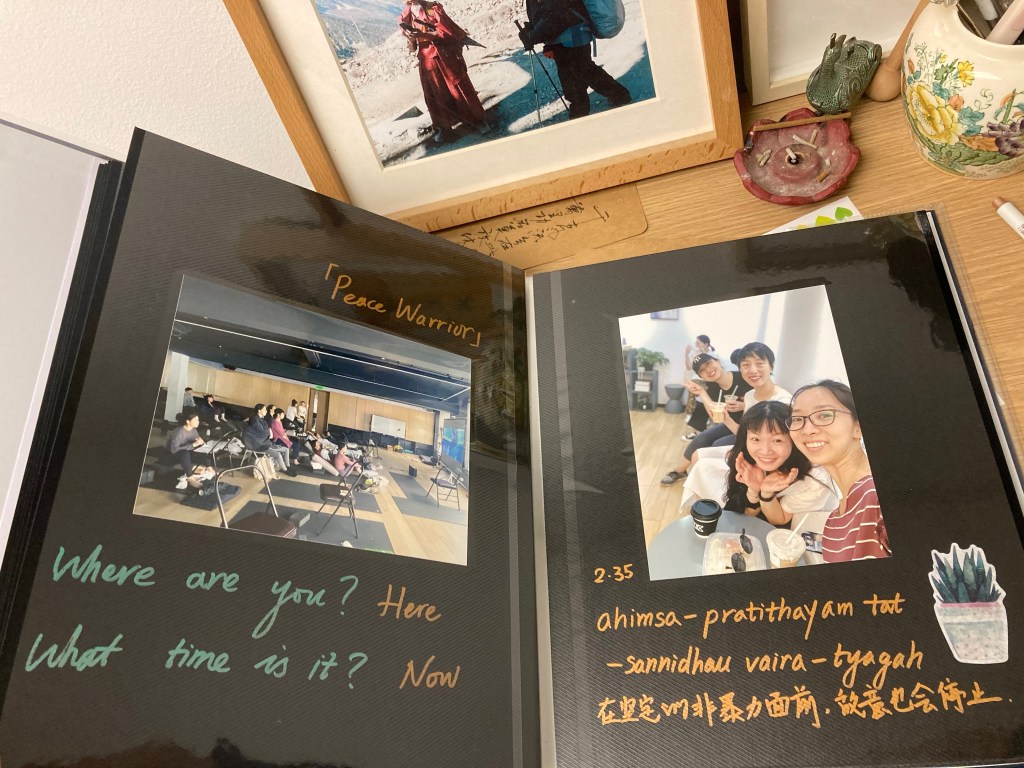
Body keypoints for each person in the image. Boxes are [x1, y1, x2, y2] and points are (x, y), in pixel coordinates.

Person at [788, 380, 890, 563]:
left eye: (824, 415)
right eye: (797, 419)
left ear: (858, 427)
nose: (807, 429)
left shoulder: (876, 499)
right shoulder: (837, 515)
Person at [722, 402, 838, 533]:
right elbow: (746, 513)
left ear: (794, 440)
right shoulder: (747, 460)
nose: (765, 451)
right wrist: (754, 491)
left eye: (777, 440)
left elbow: (779, 520)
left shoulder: (814, 479)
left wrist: (766, 494)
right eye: (755, 439)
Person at [518, 0, 631, 119]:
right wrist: (533, 32)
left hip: (571, 37)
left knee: (573, 79)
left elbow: (555, 17)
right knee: (586, 71)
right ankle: (619, 94)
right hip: (570, 36)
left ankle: (579, 114)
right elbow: (545, 15)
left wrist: (532, 36)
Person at [400, 0, 489, 143]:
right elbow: (412, 47)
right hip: (426, 59)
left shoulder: (433, 8)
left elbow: (447, 34)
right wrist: (410, 38)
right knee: (435, 94)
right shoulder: (406, 15)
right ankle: (443, 128)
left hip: (444, 55)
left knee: (458, 87)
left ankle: (477, 120)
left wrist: (423, 35)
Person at [660, 352, 751, 485]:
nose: (707, 370)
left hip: (750, 429)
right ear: (701, 376)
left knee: (716, 445)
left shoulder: (743, 378)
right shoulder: (712, 388)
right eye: (702, 370)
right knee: (702, 438)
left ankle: (715, 481)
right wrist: (702, 393)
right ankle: (680, 471)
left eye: (708, 363)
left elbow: (762, 402)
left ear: (717, 361)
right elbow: (714, 416)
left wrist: (744, 405)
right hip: (730, 424)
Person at [683, 335, 717, 435]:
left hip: (709, 379)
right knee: (693, 384)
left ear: (706, 344)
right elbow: (689, 368)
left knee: (706, 388)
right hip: (697, 378)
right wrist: (686, 353)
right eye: (696, 343)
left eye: (699, 343)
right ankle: (691, 414)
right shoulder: (694, 354)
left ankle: (704, 415)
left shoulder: (713, 354)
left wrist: (704, 353)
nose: (696, 345)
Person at [243, 404, 290, 474]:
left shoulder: (260, 419)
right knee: (277, 455)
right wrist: (268, 431)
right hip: (258, 444)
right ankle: (285, 470)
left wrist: (268, 431)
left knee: (286, 449)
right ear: (259, 411)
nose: (266, 411)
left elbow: (266, 429)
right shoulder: (255, 420)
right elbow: (262, 431)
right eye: (264, 410)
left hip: (264, 442)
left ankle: (288, 467)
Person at [166, 410, 206, 487]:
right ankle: (190, 477)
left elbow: (197, 441)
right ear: (188, 421)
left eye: (198, 420)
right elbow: (173, 450)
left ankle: (209, 469)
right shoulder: (179, 432)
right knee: (185, 453)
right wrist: (193, 445)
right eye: (195, 420)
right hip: (171, 455)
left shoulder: (193, 429)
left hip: (184, 453)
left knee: (202, 450)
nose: (198, 422)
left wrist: (201, 442)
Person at [270, 408, 300, 476]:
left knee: (296, 442)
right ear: (278, 414)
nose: (284, 415)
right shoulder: (275, 423)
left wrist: (286, 437)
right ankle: (291, 462)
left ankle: (288, 466)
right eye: (283, 414)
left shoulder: (279, 422)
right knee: (295, 445)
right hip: (277, 440)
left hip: (282, 439)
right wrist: (286, 438)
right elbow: (281, 433)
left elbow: (283, 432)